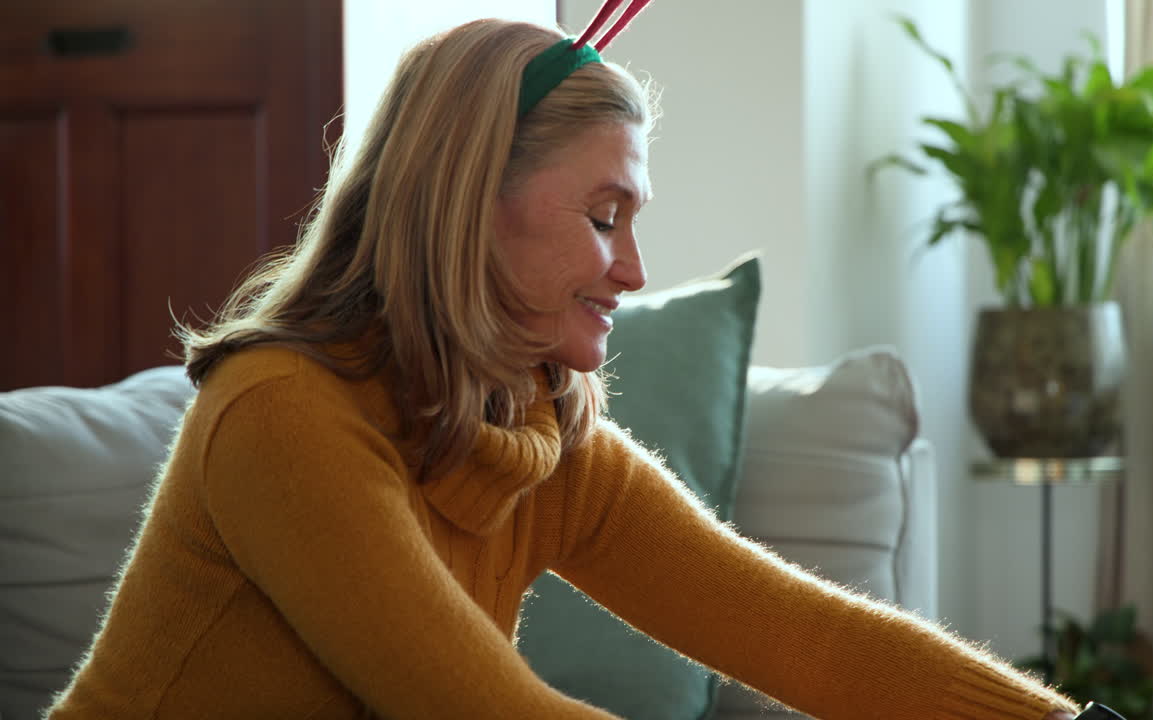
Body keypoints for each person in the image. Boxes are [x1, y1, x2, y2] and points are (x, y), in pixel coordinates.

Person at [46, 10, 1080, 720]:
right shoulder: (282, 414)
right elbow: (482, 710)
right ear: (465, 202)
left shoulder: (540, 439)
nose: (632, 270)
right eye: (602, 218)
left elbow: (809, 642)